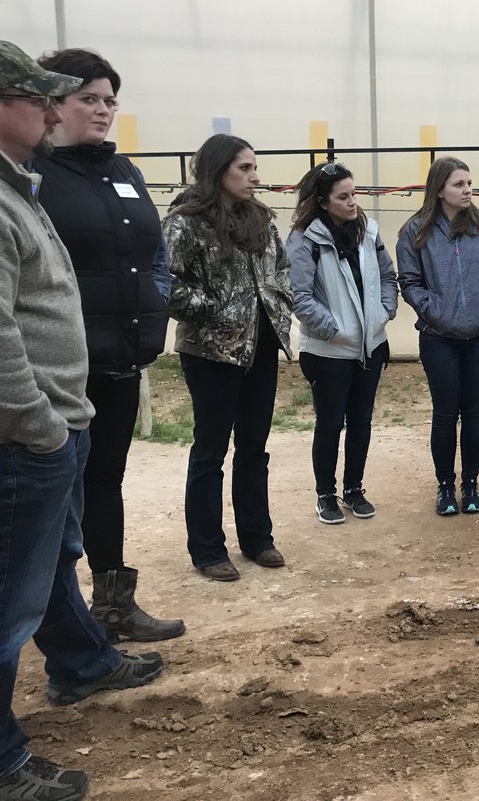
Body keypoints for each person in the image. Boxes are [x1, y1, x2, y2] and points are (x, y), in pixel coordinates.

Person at [0, 40, 164, 801]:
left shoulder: (24, 186)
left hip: (68, 408)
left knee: (50, 556)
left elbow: (145, 258)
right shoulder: (24, 188)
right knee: (12, 597)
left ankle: (82, 659)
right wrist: (37, 422)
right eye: (39, 97)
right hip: (32, 425)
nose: (55, 107)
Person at [30, 48, 184, 643]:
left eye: (109, 100)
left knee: (104, 483)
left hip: (121, 360)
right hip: (63, 368)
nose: (101, 110)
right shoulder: (35, 176)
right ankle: (59, 626)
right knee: (57, 497)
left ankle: (113, 606)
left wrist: (155, 306)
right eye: (87, 98)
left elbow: (154, 256)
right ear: (54, 104)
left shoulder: (124, 173)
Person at [163, 134, 293, 581]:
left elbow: (283, 270)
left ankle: (257, 539)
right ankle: (207, 549)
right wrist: (215, 310)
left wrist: (281, 306)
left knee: (254, 448)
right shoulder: (185, 222)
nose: (255, 176)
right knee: (211, 450)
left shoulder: (261, 219)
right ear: (218, 170)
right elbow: (168, 284)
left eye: (255, 167)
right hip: (211, 353)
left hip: (261, 347)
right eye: (245, 168)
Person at [285, 161, 398, 525]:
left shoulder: (368, 231)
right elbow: (299, 296)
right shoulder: (305, 239)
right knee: (330, 423)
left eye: (354, 193)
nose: (353, 203)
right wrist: (334, 330)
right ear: (321, 201)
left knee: (361, 421)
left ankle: (353, 489)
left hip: (370, 345)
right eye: (343, 197)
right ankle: (325, 495)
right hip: (328, 350)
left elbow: (387, 276)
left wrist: (383, 313)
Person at [396, 157, 479, 515]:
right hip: (438, 338)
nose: (467, 190)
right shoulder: (416, 230)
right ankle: (445, 487)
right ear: (439, 189)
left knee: (475, 412)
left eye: (469, 183)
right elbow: (409, 281)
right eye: (459, 184)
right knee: (445, 413)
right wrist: (434, 310)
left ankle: (471, 484)